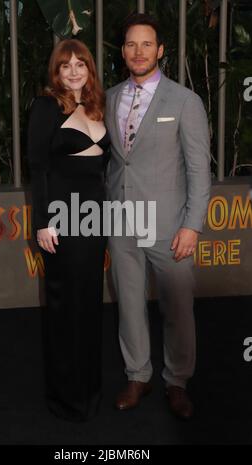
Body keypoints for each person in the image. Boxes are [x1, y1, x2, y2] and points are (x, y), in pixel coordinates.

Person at [105, 13, 211, 420]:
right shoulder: (111, 97)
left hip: (170, 225)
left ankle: (177, 381)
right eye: (131, 44)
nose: (138, 51)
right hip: (121, 221)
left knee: (178, 308)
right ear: (124, 51)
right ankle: (138, 374)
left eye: (146, 44)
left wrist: (192, 225)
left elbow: (199, 170)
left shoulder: (185, 101)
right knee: (129, 303)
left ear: (161, 50)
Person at [27, 39, 109, 422]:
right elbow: (38, 168)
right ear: (56, 72)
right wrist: (42, 222)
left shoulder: (96, 106)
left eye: (81, 64)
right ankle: (65, 398)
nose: (74, 71)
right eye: (66, 66)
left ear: (90, 69)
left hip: (95, 219)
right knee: (64, 308)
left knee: (89, 303)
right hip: (61, 219)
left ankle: (90, 388)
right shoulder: (46, 107)